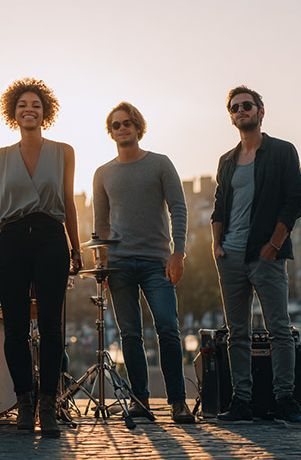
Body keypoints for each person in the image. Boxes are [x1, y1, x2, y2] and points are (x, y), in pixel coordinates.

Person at [0, 78, 82, 438]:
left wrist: (77, 247)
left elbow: (69, 203)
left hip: (52, 236)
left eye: (36, 105)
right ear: (14, 112)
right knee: (15, 329)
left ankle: (48, 406)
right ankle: (25, 402)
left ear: (45, 112)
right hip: (12, 239)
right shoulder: (1, 156)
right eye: (23, 104)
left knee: (53, 327)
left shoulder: (64, 151)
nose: (29, 110)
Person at [93, 101, 195, 424]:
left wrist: (178, 252)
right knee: (130, 335)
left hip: (157, 262)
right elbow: (101, 225)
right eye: (116, 125)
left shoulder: (161, 164)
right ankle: (140, 401)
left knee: (168, 328)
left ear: (138, 127)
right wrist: (103, 265)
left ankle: (178, 402)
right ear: (110, 133)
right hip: (119, 265)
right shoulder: (102, 174)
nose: (122, 128)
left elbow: (179, 208)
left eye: (127, 123)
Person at [211, 85, 301, 427]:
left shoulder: (281, 151)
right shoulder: (226, 161)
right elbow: (219, 206)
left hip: (267, 255)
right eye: (234, 108)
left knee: (279, 329)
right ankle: (241, 401)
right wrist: (216, 246)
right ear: (231, 116)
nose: (241, 111)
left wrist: (274, 244)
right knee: (238, 333)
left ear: (260, 112)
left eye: (247, 105)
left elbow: (295, 199)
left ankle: (285, 400)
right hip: (230, 257)